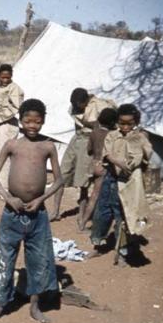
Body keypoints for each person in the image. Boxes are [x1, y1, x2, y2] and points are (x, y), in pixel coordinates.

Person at [0, 99, 63, 323]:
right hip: (12, 213)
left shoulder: (48, 147)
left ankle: (35, 305)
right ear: (20, 121)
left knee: (38, 259)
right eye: (28, 121)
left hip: (38, 214)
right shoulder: (12, 145)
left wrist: (41, 199)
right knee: (5, 259)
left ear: (43, 122)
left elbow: (59, 180)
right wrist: (8, 197)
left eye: (37, 122)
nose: (32, 126)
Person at [89, 103, 153, 266]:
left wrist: (136, 154)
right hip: (110, 178)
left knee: (123, 216)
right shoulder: (112, 135)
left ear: (135, 122)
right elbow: (107, 154)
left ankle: (123, 251)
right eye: (121, 123)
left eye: (129, 124)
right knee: (103, 211)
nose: (125, 127)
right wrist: (118, 162)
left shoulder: (140, 136)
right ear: (117, 122)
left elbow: (145, 154)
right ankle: (98, 244)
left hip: (128, 182)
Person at [50, 88, 117, 228]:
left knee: (83, 182)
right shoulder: (74, 106)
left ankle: (82, 216)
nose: (75, 107)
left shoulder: (100, 106)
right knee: (62, 174)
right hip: (76, 139)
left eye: (78, 104)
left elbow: (109, 125)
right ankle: (55, 211)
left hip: (89, 142)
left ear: (85, 101)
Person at [77, 107, 118, 231]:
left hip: (92, 164)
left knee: (84, 191)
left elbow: (89, 150)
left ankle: (81, 216)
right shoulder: (112, 135)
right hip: (103, 167)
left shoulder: (94, 132)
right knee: (95, 196)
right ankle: (83, 223)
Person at [0, 64, 24, 197]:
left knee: (4, 156)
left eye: (7, 77)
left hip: (7, 124)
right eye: (3, 77)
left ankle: (4, 188)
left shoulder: (14, 89)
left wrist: (0, 116)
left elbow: (16, 107)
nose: (5, 80)